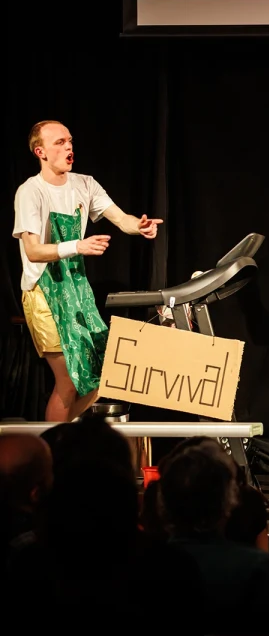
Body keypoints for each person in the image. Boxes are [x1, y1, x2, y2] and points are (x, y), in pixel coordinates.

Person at [12, 120, 163, 422]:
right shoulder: (30, 191)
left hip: (77, 291)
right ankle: (52, 455)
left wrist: (140, 226)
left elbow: (121, 219)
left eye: (70, 141)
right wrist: (76, 247)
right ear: (40, 151)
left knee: (104, 372)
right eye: (59, 142)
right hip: (44, 292)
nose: (69, 147)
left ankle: (63, 437)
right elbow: (32, 250)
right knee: (68, 382)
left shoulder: (85, 184)